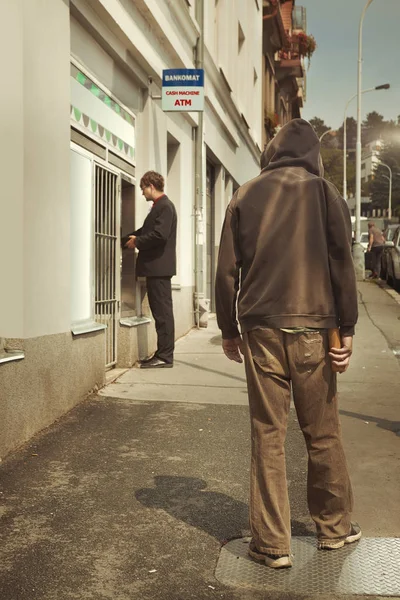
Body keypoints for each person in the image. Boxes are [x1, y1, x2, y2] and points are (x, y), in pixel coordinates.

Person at [215, 119, 360, 569]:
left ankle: (272, 545)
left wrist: (228, 327)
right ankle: (334, 530)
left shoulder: (244, 194)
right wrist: (347, 326)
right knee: (322, 432)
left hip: (260, 328)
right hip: (316, 328)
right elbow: (342, 261)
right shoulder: (325, 193)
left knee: (268, 433)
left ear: (273, 153)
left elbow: (225, 270)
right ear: (312, 154)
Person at [124, 171, 177, 369]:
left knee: (162, 314)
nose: (142, 193)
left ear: (151, 186)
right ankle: (163, 353)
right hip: (157, 268)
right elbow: (149, 231)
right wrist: (127, 238)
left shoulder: (164, 206)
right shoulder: (161, 207)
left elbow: (159, 235)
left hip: (159, 269)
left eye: (143, 188)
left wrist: (137, 241)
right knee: (161, 313)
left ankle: (164, 356)